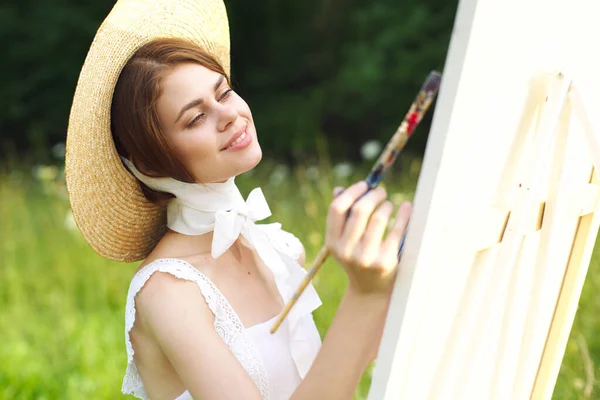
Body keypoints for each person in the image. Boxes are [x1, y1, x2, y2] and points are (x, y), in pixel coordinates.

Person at [65, 1, 411, 399]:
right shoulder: (168, 292)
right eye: (195, 118)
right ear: (149, 162)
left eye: (224, 92)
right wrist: (363, 294)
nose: (228, 115)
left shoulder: (276, 248)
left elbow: (337, 375)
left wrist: (392, 275)